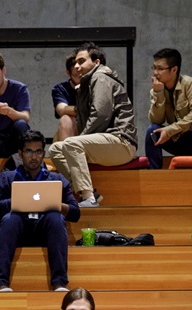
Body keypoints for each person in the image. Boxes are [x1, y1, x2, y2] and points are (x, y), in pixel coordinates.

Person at [0, 129, 80, 293]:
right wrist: (18, 200)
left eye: (38, 152)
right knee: (10, 218)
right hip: (17, 229)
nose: (34, 156)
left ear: (43, 153)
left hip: (46, 230)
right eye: (29, 151)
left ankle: (60, 283)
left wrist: (55, 204)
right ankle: (0, 283)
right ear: (20, 153)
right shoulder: (8, 177)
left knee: (56, 217)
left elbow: (75, 213)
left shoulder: (57, 179)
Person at [49, 43, 137, 208]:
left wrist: (79, 141)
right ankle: (87, 192)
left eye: (81, 61)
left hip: (121, 141)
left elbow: (101, 114)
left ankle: (89, 199)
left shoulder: (100, 77)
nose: (76, 66)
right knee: (55, 149)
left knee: (70, 144)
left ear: (96, 63)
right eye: (75, 62)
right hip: (105, 141)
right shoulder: (86, 84)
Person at [145, 47, 192, 169]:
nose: (155, 73)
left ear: (174, 69)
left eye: (160, 68)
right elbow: (156, 120)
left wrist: (170, 130)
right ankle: (154, 175)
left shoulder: (189, 83)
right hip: (178, 140)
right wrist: (158, 94)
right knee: (152, 130)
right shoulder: (157, 89)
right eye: (154, 68)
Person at [51, 53, 82, 145]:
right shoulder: (60, 88)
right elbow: (61, 110)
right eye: (76, 75)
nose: (81, 79)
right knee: (66, 119)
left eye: (83, 75)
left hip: (92, 126)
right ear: (68, 73)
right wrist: (84, 109)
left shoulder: (94, 85)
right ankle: (67, 157)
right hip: (73, 128)